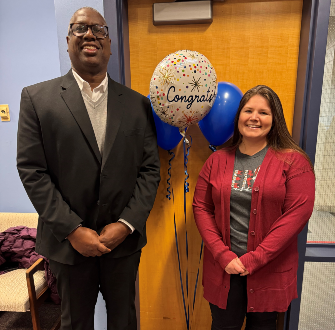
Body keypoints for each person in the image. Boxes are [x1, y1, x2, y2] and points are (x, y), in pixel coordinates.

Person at [17, 7, 160, 330]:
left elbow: (150, 170)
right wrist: (72, 229)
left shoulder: (138, 104)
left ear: (109, 45)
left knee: (124, 321)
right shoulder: (37, 99)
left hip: (122, 244)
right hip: (67, 245)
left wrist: (125, 224)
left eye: (99, 29)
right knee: (75, 323)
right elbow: (31, 170)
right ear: (68, 41)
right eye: (80, 28)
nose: (90, 34)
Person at [193, 85, 315, 330]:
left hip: (269, 269)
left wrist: (256, 259)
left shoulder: (294, 162)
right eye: (248, 110)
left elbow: (296, 216)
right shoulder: (216, 160)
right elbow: (201, 208)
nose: (254, 118)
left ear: (275, 119)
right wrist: (222, 254)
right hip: (225, 269)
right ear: (239, 116)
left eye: (264, 112)